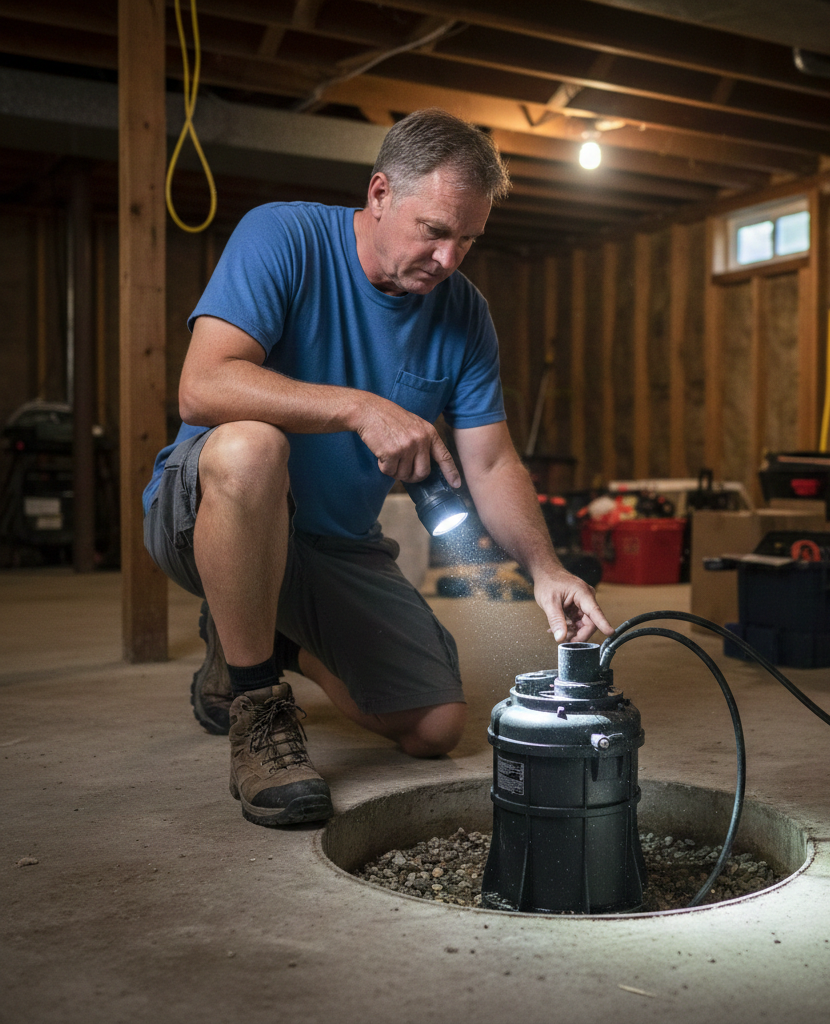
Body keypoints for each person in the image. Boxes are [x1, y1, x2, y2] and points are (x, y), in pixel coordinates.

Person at [143, 108, 613, 829]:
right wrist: (360, 408)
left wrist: (546, 569)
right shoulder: (284, 236)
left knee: (435, 726)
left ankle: (248, 639)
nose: (450, 258)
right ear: (380, 194)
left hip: (334, 542)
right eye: (435, 231)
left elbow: (490, 461)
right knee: (252, 446)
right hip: (207, 509)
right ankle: (257, 708)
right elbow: (203, 386)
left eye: (469, 240)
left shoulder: (464, 314)